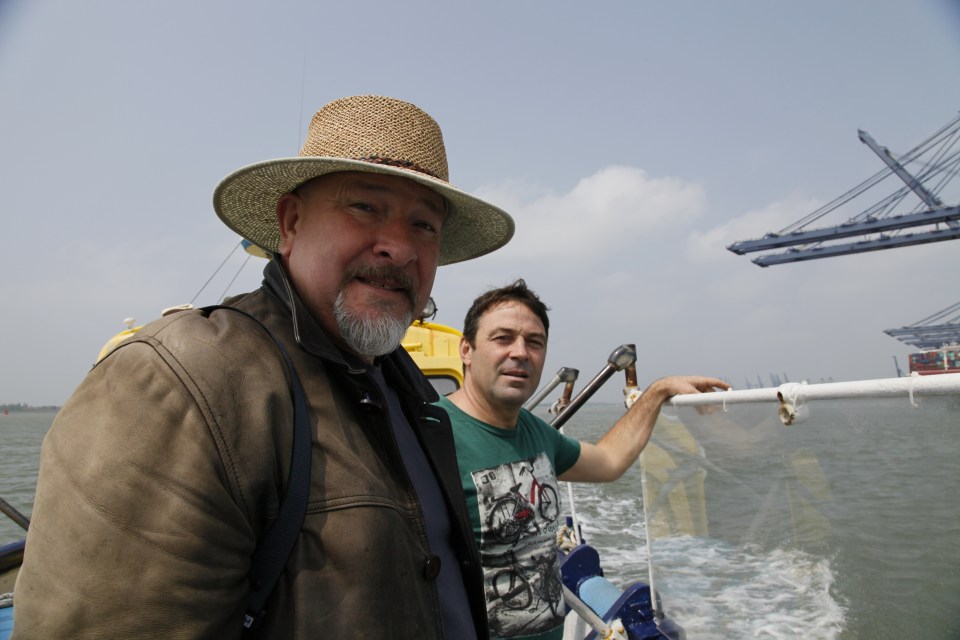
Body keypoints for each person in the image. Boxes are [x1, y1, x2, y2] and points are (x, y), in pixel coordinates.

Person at [13, 95, 516, 639]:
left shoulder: (405, 385)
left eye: (424, 225)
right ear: (290, 221)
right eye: (364, 208)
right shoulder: (182, 380)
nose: (398, 246)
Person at [437, 279, 729, 639]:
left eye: (534, 342)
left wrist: (657, 392)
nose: (520, 352)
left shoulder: (533, 431)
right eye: (502, 338)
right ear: (466, 349)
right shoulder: (431, 434)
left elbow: (608, 460)